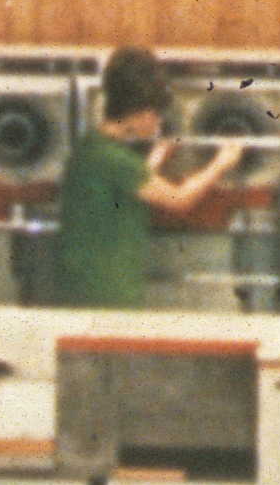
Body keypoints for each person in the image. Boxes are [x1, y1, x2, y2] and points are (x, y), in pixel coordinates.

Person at [47, 47, 257, 309]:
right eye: (156, 115)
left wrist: (156, 159)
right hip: (107, 295)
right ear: (141, 112)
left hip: (83, 290)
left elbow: (125, 189)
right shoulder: (118, 161)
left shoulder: (92, 148)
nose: (158, 124)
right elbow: (179, 199)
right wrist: (221, 163)